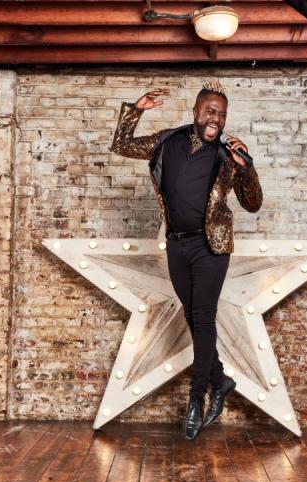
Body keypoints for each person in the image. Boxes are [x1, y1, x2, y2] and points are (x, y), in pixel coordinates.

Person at [111, 81, 263, 440]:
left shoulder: (229, 155)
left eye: (222, 115)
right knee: (192, 315)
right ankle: (221, 379)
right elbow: (121, 145)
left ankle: (197, 398)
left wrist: (247, 166)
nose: (216, 119)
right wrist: (137, 109)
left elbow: (253, 203)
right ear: (196, 112)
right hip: (177, 246)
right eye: (211, 111)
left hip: (211, 247)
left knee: (202, 316)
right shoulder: (167, 140)